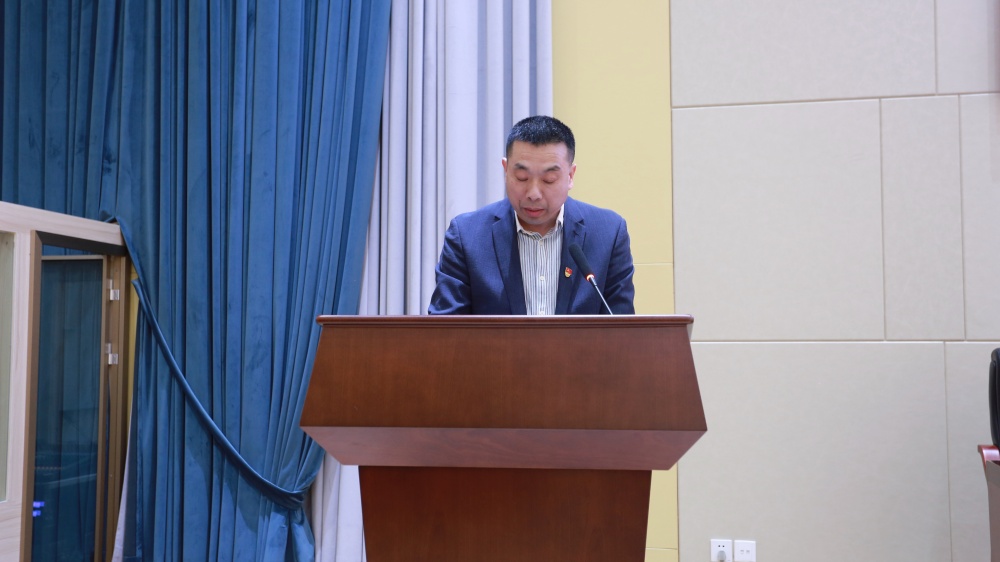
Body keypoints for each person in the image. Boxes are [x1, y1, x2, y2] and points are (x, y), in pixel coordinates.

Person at [428, 115, 635, 315]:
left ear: (570, 176)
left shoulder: (609, 234)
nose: (534, 194)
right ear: (506, 170)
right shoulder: (467, 236)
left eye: (549, 179)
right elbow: (445, 330)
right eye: (522, 177)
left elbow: (622, 330)